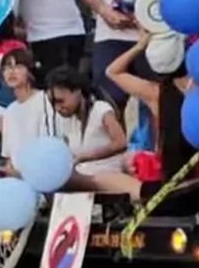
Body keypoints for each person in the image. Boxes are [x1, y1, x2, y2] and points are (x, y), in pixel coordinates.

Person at [47, 68, 140, 197]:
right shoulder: (63, 120)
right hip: (82, 181)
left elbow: (120, 142)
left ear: (77, 91)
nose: (57, 108)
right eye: (53, 104)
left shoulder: (101, 110)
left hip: (108, 178)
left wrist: (85, 157)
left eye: (60, 101)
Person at [0, 47, 59, 174]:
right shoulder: (9, 111)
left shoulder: (44, 100)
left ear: (30, 71)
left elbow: (51, 143)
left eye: (18, 66)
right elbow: (9, 154)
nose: (11, 72)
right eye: (7, 67)